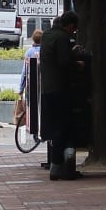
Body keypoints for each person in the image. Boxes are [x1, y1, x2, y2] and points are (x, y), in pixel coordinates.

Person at [40, 11, 85, 180]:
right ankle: (58, 167)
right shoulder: (63, 38)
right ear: (70, 26)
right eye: (74, 29)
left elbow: (52, 57)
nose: (74, 32)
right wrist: (77, 62)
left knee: (56, 127)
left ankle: (57, 165)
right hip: (61, 88)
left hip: (47, 89)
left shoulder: (47, 35)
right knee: (64, 127)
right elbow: (63, 63)